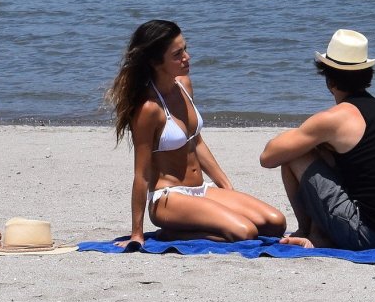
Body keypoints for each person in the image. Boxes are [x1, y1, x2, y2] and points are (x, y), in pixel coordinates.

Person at [107, 19, 287, 248]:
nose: (187, 57)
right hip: (168, 198)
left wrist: (227, 188)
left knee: (275, 222)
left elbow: (197, 143)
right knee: (246, 232)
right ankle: (171, 234)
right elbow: (141, 175)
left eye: (185, 49)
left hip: (201, 190)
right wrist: (137, 234)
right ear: (155, 62)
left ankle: (190, 227)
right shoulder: (149, 109)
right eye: (177, 54)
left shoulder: (184, 86)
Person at [261, 29, 375, 251]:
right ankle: (318, 232)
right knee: (326, 151)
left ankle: (308, 233)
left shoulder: (335, 119)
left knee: (296, 153)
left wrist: (307, 138)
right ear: (367, 74)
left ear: (329, 78)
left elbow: (268, 157)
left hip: (366, 235)